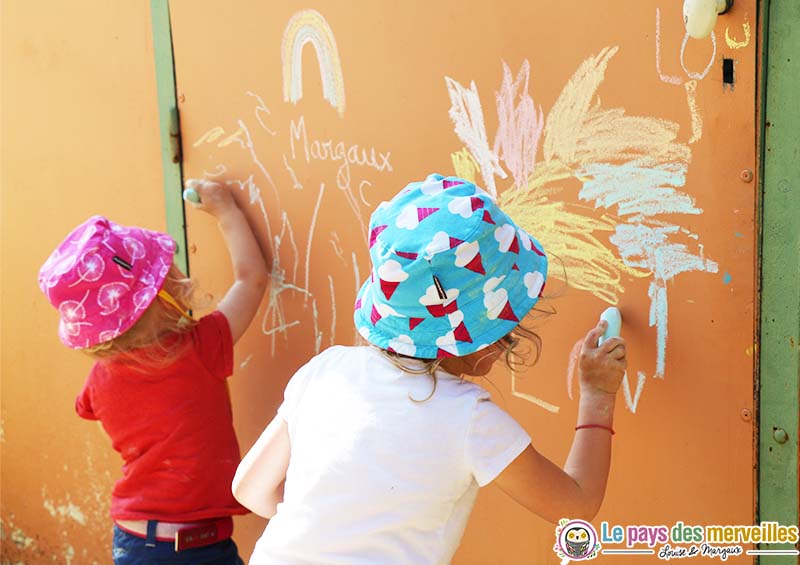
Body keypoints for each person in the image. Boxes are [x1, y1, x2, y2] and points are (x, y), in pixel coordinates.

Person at [232, 173, 627, 564]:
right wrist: (597, 394)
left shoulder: (326, 370)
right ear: (483, 336)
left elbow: (249, 489)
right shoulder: (470, 418)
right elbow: (574, 507)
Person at [38, 179, 268, 564]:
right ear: (162, 295)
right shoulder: (202, 346)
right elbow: (252, 278)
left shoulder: (101, 378)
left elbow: (87, 408)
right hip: (197, 545)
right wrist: (226, 210)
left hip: (135, 541)